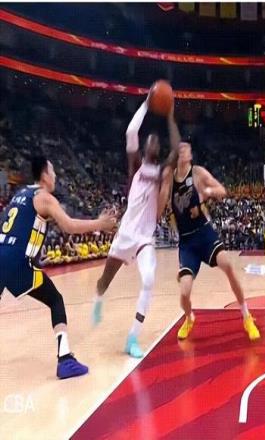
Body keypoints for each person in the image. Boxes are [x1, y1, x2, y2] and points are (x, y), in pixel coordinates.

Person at [0, 157, 116, 379]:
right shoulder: (44, 197)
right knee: (55, 300)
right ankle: (65, 360)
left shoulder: (20, 194)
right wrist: (100, 224)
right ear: (44, 175)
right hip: (16, 262)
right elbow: (69, 226)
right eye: (52, 171)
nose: (55, 176)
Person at [92, 96, 180, 358]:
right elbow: (131, 131)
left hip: (144, 238)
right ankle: (98, 299)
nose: (153, 143)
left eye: (156, 142)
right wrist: (146, 103)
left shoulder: (161, 171)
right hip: (126, 234)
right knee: (104, 280)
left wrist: (170, 116)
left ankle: (133, 337)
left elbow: (176, 148)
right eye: (149, 141)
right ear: (144, 147)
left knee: (149, 279)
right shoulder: (135, 166)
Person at [157, 140, 260, 341]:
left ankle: (246, 316)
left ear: (190, 155)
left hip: (204, 234)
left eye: (186, 149)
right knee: (184, 292)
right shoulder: (169, 177)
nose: (183, 151)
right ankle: (189, 317)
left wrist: (207, 193)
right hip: (187, 242)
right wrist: (162, 186)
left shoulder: (197, 173)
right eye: (180, 149)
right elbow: (159, 208)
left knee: (227, 265)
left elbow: (222, 190)